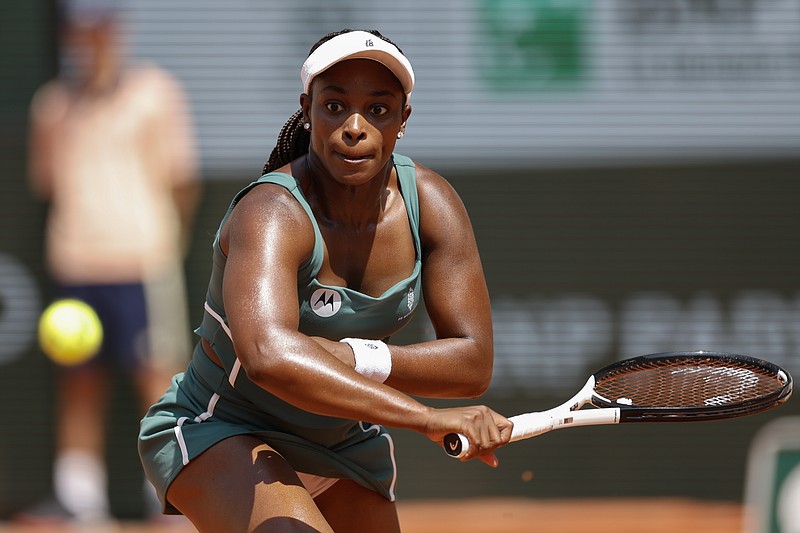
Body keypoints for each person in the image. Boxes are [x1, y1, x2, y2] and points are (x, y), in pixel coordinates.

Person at [138, 28, 511, 532]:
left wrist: (359, 357)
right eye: (335, 106)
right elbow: (268, 357)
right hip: (222, 426)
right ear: (307, 109)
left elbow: (472, 362)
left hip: (343, 445)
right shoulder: (270, 211)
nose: (354, 127)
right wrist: (426, 418)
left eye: (378, 109)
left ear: (403, 119)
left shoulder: (433, 204)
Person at [25, 0, 200, 523]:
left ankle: (171, 492)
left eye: (100, 29)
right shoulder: (51, 106)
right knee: (79, 382)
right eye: (82, 31)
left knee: (156, 380)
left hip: (141, 261)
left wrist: (165, 240)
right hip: (76, 262)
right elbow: (46, 181)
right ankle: (79, 499)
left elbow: (182, 179)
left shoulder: (156, 93)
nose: (91, 41)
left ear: (117, 31)